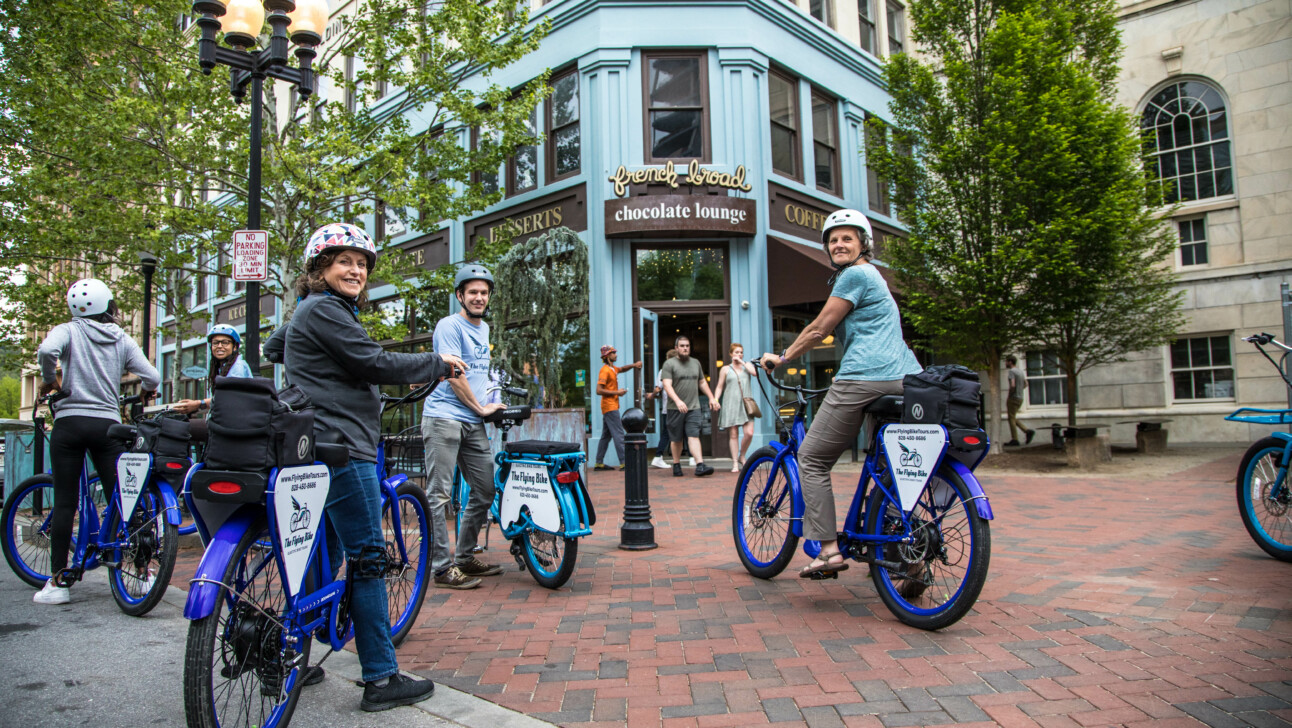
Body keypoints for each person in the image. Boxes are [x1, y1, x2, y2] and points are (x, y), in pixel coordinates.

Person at [271, 222, 464, 711]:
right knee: (368, 557)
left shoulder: (313, 312)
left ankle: (293, 651)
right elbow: (375, 364)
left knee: (325, 549)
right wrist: (438, 364)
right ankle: (380, 677)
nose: (355, 270)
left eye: (361, 264)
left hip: (319, 444)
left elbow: (276, 346)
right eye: (344, 262)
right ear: (320, 269)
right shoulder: (326, 310)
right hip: (342, 448)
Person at [759, 209, 922, 579]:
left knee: (812, 459)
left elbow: (819, 329)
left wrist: (782, 358)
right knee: (887, 465)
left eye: (847, 238)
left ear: (863, 244)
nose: (838, 244)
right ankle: (895, 549)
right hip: (906, 379)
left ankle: (828, 551)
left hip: (864, 377)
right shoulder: (875, 278)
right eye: (833, 240)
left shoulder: (855, 275)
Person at [35, 278, 161, 605]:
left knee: (64, 502)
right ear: (108, 305)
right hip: (107, 425)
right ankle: (142, 572)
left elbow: (47, 350)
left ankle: (59, 583)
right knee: (121, 498)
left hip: (69, 422)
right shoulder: (120, 338)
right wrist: (145, 389)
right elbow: (153, 377)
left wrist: (51, 381)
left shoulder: (69, 330)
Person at [421, 264, 507, 591]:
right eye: (472, 292)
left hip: (473, 421)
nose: (479, 297)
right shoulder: (449, 326)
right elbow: (455, 376)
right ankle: (442, 568)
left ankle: (465, 556)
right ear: (460, 295)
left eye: (484, 292)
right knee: (439, 494)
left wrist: (490, 401)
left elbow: (477, 376)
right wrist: (481, 407)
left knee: (485, 490)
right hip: (444, 417)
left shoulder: (483, 329)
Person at [661, 335, 719, 477]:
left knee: (693, 435)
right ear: (676, 348)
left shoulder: (696, 363)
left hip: (694, 407)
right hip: (675, 408)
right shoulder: (669, 364)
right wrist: (678, 400)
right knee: (676, 439)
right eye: (682, 346)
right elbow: (666, 385)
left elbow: (702, 382)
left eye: (687, 346)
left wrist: (712, 398)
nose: (685, 348)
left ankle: (700, 465)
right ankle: (676, 463)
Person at [174, 324, 253, 415]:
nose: (219, 346)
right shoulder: (223, 367)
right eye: (215, 343)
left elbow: (230, 397)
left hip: (237, 424)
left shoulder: (238, 367)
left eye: (225, 342)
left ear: (235, 346)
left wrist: (199, 404)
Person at [593, 344, 642, 471]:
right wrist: (617, 393)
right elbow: (598, 390)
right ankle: (624, 462)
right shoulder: (605, 370)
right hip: (610, 407)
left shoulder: (612, 368)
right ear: (607, 355)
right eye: (614, 352)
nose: (616, 354)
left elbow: (622, 369)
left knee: (606, 435)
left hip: (610, 407)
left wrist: (634, 365)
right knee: (619, 434)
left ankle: (599, 463)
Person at [712, 343, 758, 473]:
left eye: (741, 352)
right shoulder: (725, 369)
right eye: (737, 352)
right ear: (731, 354)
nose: (739, 354)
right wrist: (716, 399)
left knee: (749, 433)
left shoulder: (747, 365)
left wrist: (742, 362)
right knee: (733, 434)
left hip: (746, 404)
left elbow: (754, 373)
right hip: (731, 403)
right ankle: (734, 463)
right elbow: (720, 386)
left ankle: (742, 455)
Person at [648, 349, 677, 469]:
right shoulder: (665, 371)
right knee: (669, 432)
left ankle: (658, 457)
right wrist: (652, 394)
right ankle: (658, 456)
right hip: (670, 407)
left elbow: (657, 389)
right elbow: (658, 388)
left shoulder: (664, 371)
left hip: (670, 407)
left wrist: (652, 394)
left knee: (672, 432)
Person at [1004, 355, 1035, 446]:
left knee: (1011, 418)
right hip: (1020, 398)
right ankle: (1027, 431)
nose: (1005, 363)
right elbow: (1026, 383)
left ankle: (1015, 439)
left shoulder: (1012, 371)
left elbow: (1012, 385)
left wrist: (1011, 394)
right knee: (1012, 417)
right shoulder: (1020, 371)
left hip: (1013, 398)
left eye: (1006, 361)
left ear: (1010, 362)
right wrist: (1020, 390)